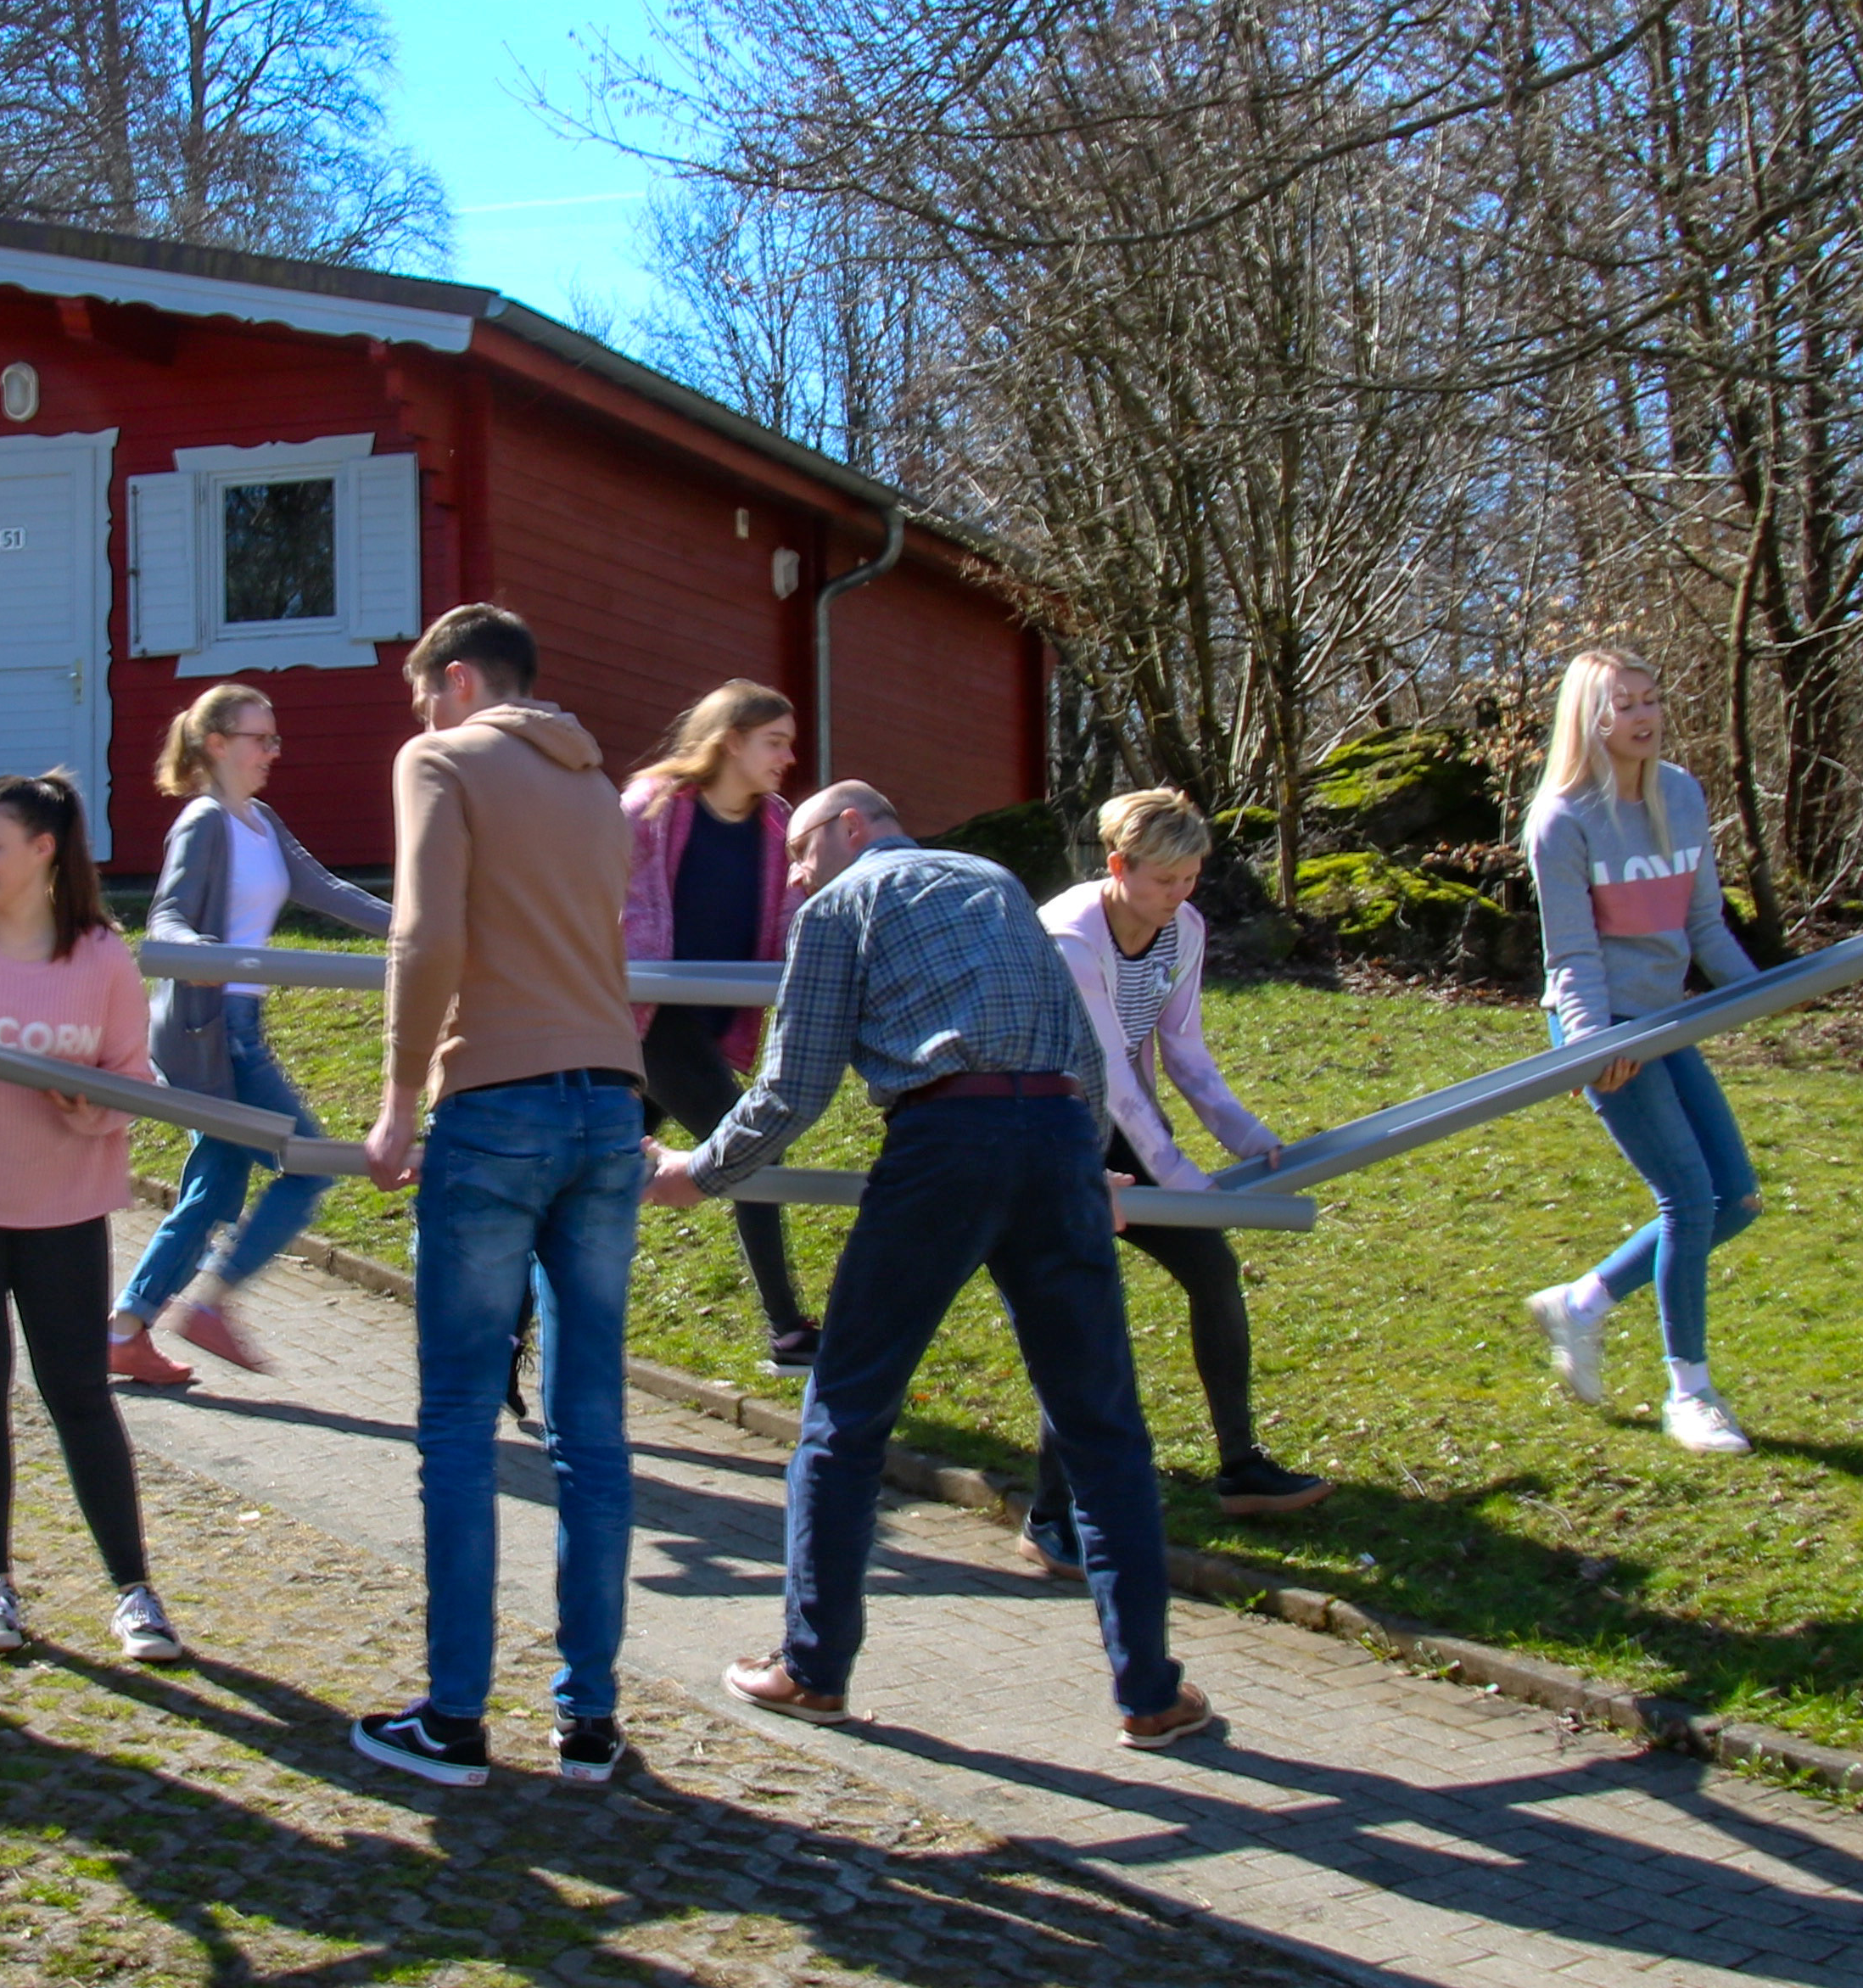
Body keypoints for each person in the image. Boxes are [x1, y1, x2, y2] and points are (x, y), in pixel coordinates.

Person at [661, 779, 1218, 1753]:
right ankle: (1150, 1691)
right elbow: (1081, 1049)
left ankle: (812, 1666)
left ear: (848, 829)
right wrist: (1089, 1165)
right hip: (1051, 1138)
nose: (792, 878)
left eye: (799, 853)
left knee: (847, 1409)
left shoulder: (841, 905)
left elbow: (794, 1085)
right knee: (1102, 1425)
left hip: (942, 1143)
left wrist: (698, 1172)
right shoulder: (998, 882)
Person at [353, 604, 646, 1792]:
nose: (418, 717)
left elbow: (425, 937)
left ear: (458, 681)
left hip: (498, 1104)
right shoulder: (596, 784)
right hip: (609, 1109)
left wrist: (398, 1101)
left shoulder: (440, 758)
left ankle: (457, 1717)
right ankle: (589, 1721)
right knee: (593, 1430)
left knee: (459, 1423)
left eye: (424, 692)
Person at [0, 776, 189, 1664]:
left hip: (62, 1208)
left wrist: (85, 1101)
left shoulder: (99, 956)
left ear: (43, 848)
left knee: (79, 1394)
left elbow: (134, 1080)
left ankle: (135, 1591)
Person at [1028, 787, 1330, 1556]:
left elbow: (1183, 1052)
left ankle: (1241, 1468)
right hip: (1046, 1125)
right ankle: (1050, 1516)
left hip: (1121, 1124)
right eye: (1165, 880)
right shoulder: (1070, 936)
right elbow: (1108, 1073)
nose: (1179, 895)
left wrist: (1247, 1137)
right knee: (1079, 1309)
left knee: (1212, 1269)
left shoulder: (1182, 930)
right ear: (1119, 865)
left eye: (1191, 877)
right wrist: (1177, 1175)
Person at [1518, 647, 1768, 1455]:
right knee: (1689, 1201)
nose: (1644, 715)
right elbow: (1572, 957)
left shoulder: (1682, 795)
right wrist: (1593, 1047)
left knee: (1735, 1198)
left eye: (1652, 698)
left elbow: (1703, 926)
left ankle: (1581, 1304)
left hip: (1665, 1022)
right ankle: (1689, 1391)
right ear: (1590, 719)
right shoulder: (1563, 820)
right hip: (1602, 1028)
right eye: (1624, 704)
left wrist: (1766, 990)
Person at [108, 681, 389, 1392]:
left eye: (274, 740)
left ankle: (125, 1329)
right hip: (209, 1029)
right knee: (311, 1161)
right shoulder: (204, 821)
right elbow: (166, 916)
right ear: (216, 745)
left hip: (240, 1026)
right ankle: (205, 1302)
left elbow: (329, 892)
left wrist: (419, 925)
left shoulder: (259, 820)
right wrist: (198, 950)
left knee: (217, 1184)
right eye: (259, 739)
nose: (271, 752)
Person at [617, 680, 816, 1370]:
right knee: (751, 1145)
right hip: (648, 1021)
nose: (788, 756)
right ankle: (787, 1328)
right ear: (731, 740)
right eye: (775, 741)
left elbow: (787, 920)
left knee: (594, 1169)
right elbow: (614, 907)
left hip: (705, 1025)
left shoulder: (776, 826)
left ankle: (513, 1326)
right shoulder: (653, 809)